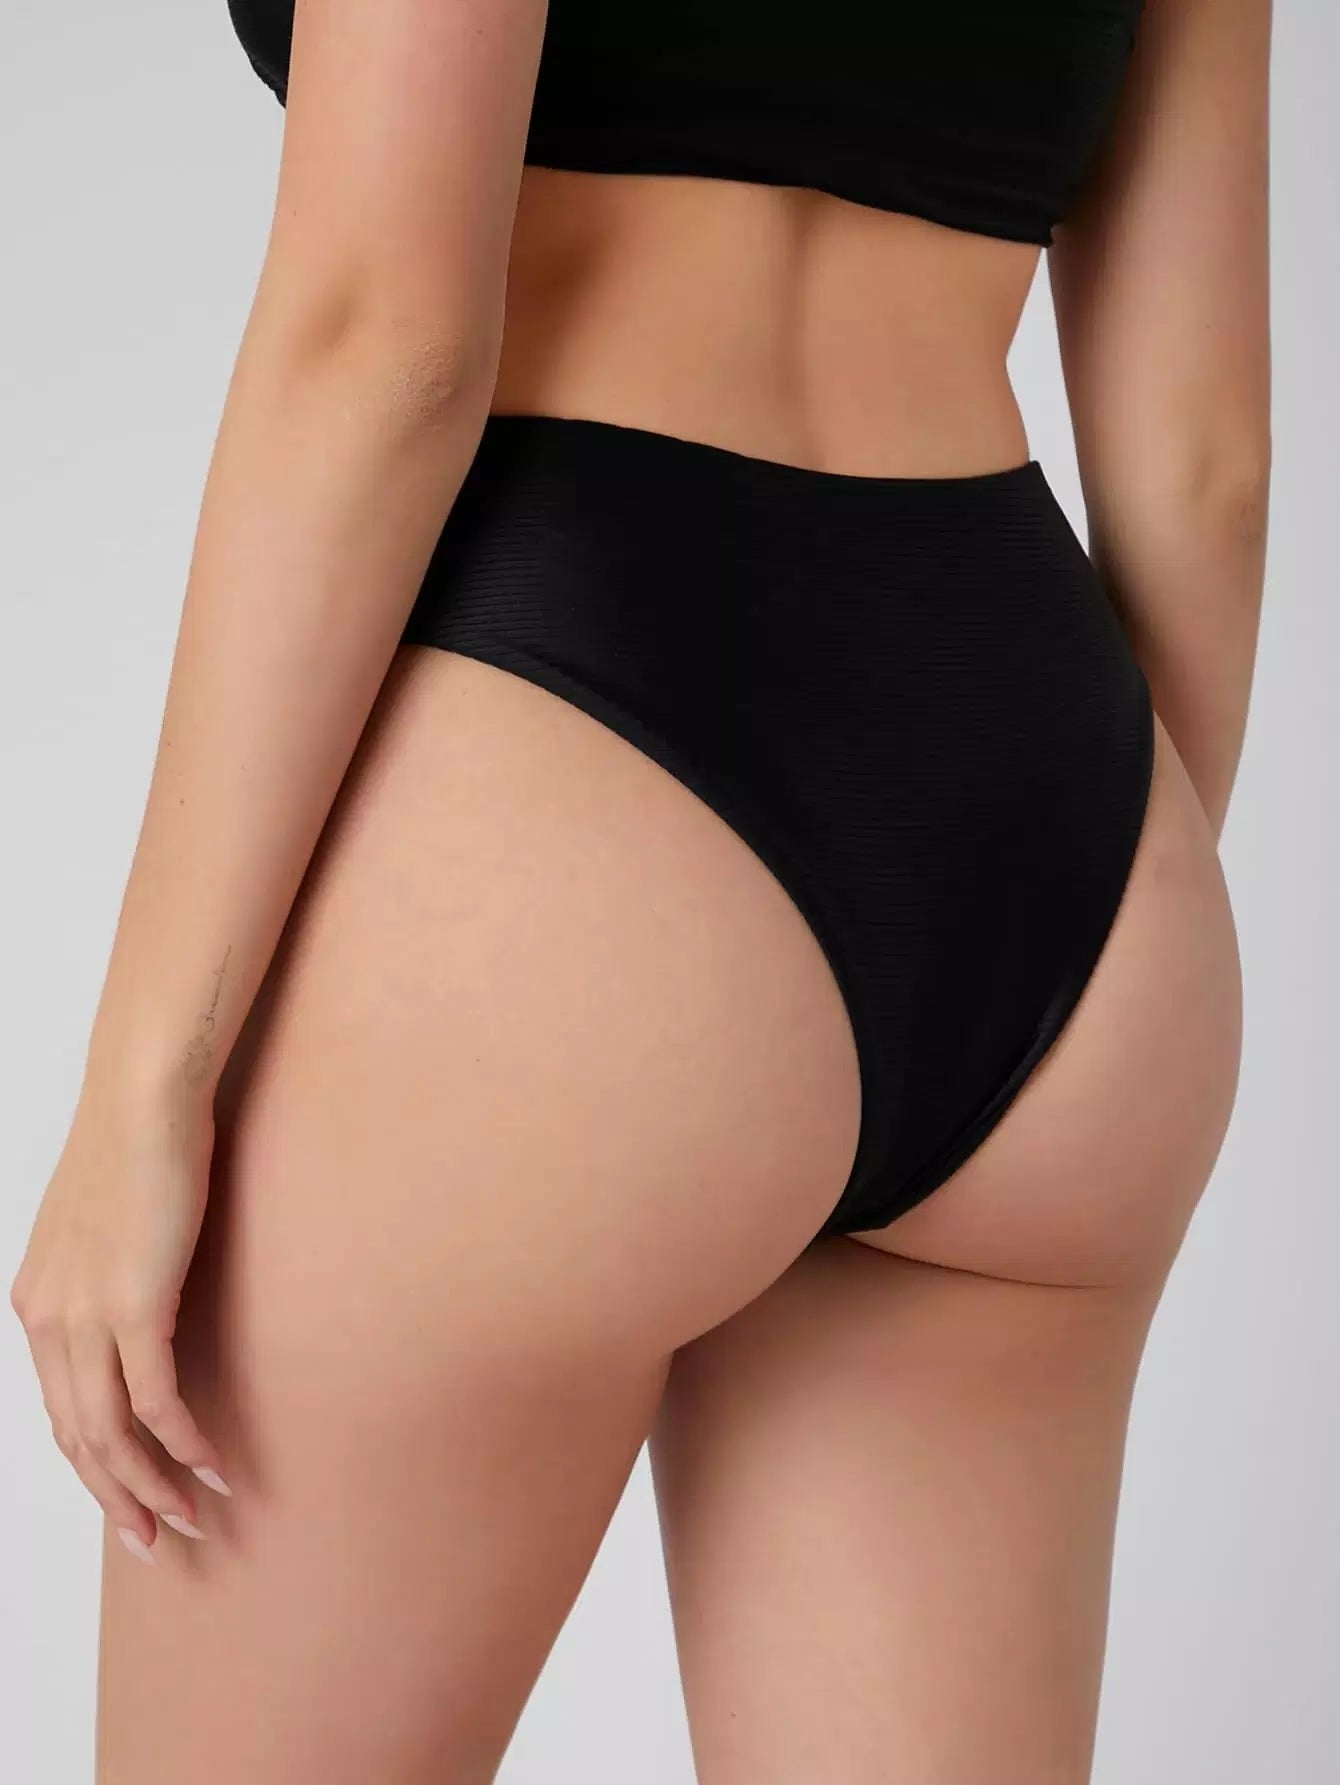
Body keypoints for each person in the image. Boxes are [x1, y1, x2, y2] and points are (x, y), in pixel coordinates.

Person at [11, 1, 1271, 1779]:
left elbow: (388, 341)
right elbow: (1207, 467)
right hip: (1060, 824)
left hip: (574, 785)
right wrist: (1089, 937)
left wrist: (150, 1069)